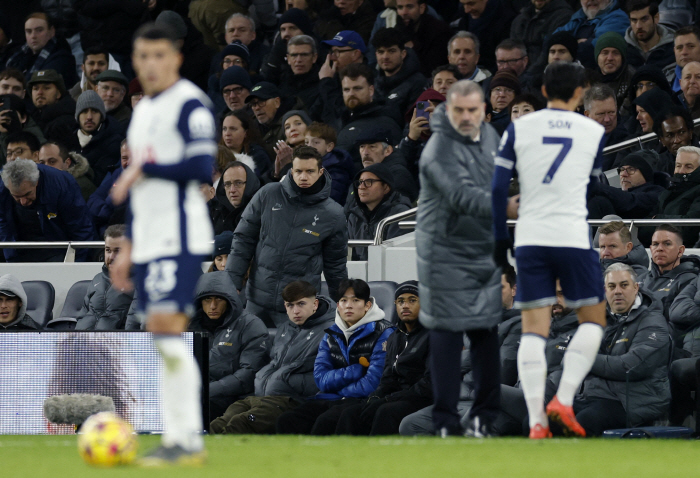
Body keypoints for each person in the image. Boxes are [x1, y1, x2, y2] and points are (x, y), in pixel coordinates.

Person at [109, 23, 217, 465]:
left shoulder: (190, 103)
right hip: (150, 239)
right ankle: (181, 437)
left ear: (175, 57)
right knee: (159, 338)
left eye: (159, 55)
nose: (150, 65)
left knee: (170, 335)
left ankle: (185, 437)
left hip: (180, 235)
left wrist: (146, 169)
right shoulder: (143, 112)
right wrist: (128, 247)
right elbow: (139, 190)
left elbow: (201, 167)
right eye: (142, 57)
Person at [493, 62, 608, 439]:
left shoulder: (519, 126)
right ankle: (564, 399)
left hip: (530, 237)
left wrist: (499, 239)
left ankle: (536, 421)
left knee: (533, 331)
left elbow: (497, 190)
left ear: (543, 90)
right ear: (580, 93)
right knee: (592, 320)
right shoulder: (594, 130)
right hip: (572, 234)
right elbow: (592, 187)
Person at [415, 79, 503, 437]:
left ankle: (483, 418)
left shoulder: (491, 138)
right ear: (448, 111)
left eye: (474, 110)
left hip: (481, 248)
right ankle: (445, 422)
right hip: (444, 250)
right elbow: (462, 196)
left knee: (485, 331)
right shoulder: (438, 149)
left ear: (483, 110)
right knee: (447, 333)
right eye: (460, 110)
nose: (467, 117)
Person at [225, 146, 348, 328]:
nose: (303, 177)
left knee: (291, 357)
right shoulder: (268, 194)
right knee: (250, 354)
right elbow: (243, 240)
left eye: (310, 171)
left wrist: (341, 302)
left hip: (298, 306)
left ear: (321, 172)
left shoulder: (334, 214)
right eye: (298, 171)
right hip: (257, 301)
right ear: (291, 170)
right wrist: (232, 282)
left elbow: (335, 265)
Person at [210, 280, 335, 434]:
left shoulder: (330, 332)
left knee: (238, 424)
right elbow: (274, 363)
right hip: (263, 397)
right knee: (219, 423)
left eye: (301, 304)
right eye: (290, 305)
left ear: (315, 304)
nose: (295, 311)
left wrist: (283, 380)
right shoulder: (285, 329)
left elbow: (326, 377)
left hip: (293, 400)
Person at [275, 278, 395, 435]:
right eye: (343, 300)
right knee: (287, 420)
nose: (348, 305)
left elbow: (373, 383)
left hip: (362, 400)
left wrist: (340, 392)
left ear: (367, 305)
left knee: (325, 422)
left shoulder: (384, 332)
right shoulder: (331, 333)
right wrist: (356, 370)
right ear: (338, 305)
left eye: (356, 300)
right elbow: (320, 379)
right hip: (330, 397)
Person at [571, 263, 670, 436]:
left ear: (635, 288)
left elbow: (630, 367)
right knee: (545, 419)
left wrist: (584, 358)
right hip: (593, 395)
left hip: (633, 401)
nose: (617, 291)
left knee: (584, 423)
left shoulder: (653, 322)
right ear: (605, 290)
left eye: (624, 285)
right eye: (612, 286)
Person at [335, 281, 432, 435]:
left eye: (412, 300)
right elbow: (387, 377)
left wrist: (389, 399)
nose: (405, 306)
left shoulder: (434, 336)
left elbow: (429, 384)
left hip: (422, 398)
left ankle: (378, 458)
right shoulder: (395, 336)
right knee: (351, 413)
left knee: (386, 412)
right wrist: (375, 397)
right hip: (396, 397)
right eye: (400, 301)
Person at [189, 271, 269, 421]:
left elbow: (249, 373)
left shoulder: (251, 325)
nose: (212, 306)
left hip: (234, 398)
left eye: (219, 299)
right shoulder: (189, 326)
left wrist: (208, 390)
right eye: (207, 299)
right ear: (199, 302)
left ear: (229, 300)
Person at [0, 158, 96, 262]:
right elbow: (2, 224)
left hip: (57, 247)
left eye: (27, 194)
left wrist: (75, 265)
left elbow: (81, 228)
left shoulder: (62, 185)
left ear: (36, 182)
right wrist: (11, 259)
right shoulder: (2, 186)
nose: (23, 202)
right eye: (16, 196)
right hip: (19, 246)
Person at [336, 64, 403, 163]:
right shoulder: (343, 119)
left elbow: (395, 161)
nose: (351, 94)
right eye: (346, 89)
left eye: (357, 88)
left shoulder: (385, 122)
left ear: (371, 90)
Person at [346, 163, 412, 261]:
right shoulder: (354, 216)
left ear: (385, 187)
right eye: (360, 182)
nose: (361, 187)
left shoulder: (400, 214)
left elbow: (396, 258)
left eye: (369, 182)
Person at [75, 225, 135, 330]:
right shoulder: (97, 280)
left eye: (118, 251)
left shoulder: (138, 284)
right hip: (82, 342)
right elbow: (82, 316)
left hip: (115, 344)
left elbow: (134, 326)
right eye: (108, 250)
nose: (111, 257)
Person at [7, 12, 78, 87]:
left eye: (39, 30)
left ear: (52, 31)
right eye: (29, 31)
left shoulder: (62, 59)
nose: (33, 36)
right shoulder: (19, 57)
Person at [552, 0, 629, 68]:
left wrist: (568, 46)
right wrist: (577, 43)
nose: (591, 0)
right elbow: (552, 41)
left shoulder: (618, 19)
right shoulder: (578, 18)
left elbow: (593, 49)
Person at [587, 151, 665, 219]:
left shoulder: (658, 192)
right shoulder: (618, 192)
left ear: (645, 174)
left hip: (633, 234)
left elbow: (631, 202)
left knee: (599, 202)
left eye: (631, 169)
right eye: (621, 170)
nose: (623, 174)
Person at [70, 90, 124, 187]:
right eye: (84, 111)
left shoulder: (113, 142)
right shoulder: (68, 139)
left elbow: (101, 180)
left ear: (102, 116)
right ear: (77, 116)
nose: (89, 117)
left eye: (94, 111)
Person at [371, 28, 426, 121]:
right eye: (381, 52)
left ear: (403, 54)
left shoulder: (419, 83)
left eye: (391, 51)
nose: (385, 57)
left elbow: (419, 122)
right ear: (376, 54)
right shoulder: (373, 82)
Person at [649, 146, 700, 246]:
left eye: (688, 166)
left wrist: (658, 219)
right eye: (678, 165)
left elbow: (690, 226)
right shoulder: (667, 193)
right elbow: (648, 222)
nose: (681, 171)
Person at [645, 224, 700, 317]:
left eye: (667, 244)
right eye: (655, 244)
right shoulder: (641, 278)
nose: (660, 249)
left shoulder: (690, 280)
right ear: (650, 249)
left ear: (681, 250)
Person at [356, 129, 418, 202]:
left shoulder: (398, 175)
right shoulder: (360, 175)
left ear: (387, 151)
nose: (365, 152)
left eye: (372, 147)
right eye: (362, 147)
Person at [456, 0, 517, 73]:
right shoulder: (464, 17)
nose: (466, 10)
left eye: (471, 3)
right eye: (463, 4)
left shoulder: (507, 19)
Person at [394, 0, 452, 77]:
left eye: (410, 7)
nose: (404, 12)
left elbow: (432, 70)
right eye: (400, 7)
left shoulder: (439, 31)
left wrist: (412, 46)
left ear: (422, 8)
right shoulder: (398, 29)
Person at [304, 121, 355, 206]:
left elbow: (331, 198)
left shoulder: (337, 168)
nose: (309, 146)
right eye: (306, 142)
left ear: (329, 146)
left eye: (316, 142)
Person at [510, 0, 573, 66]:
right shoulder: (520, 19)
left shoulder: (564, 17)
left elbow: (547, 55)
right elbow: (513, 51)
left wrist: (528, 75)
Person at [583, 84, 628, 170]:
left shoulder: (626, 143)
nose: (607, 119)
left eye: (611, 112)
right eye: (601, 114)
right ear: (587, 115)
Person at [210, 160, 261, 235]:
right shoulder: (215, 210)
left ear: (250, 184)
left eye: (238, 183)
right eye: (227, 184)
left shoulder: (261, 211)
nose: (232, 190)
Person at [28, 69, 76, 143]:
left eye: (46, 88)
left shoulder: (65, 122)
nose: (39, 92)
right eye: (36, 89)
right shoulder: (31, 118)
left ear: (58, 93)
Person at [624, 0, 675, 72]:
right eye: (634, 20)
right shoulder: (623, 50)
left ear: (656, 18)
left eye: (644, 19)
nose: (638, 26)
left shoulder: (674, 49)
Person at [597, 220, 650, 285]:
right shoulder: (591, 272)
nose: (605, 252)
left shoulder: (642, 277)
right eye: (602, 247)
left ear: (628, 247)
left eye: (612, 246)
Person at [0, 93, 45, 166]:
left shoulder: (33, 135)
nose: (4, 118)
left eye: (9, 113)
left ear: (24, 117)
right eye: (1, 114)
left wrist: (13, 131)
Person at [654, 107, 697, 174]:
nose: (677, 140)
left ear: (690, 133)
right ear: (662, 140)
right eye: (669, 135)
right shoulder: (659, 166)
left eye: (682, 132)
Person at [488, 69, 521, 135]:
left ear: (516, 96)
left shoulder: (516, 119)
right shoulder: (480, 114)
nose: (502, 95)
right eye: (497, 90)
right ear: (490, 95)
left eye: (508, 90)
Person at [669, 26, 700, 92]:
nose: (684, 52)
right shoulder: (666, 77)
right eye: (679, 48)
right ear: (674, 51)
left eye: (691, 46)